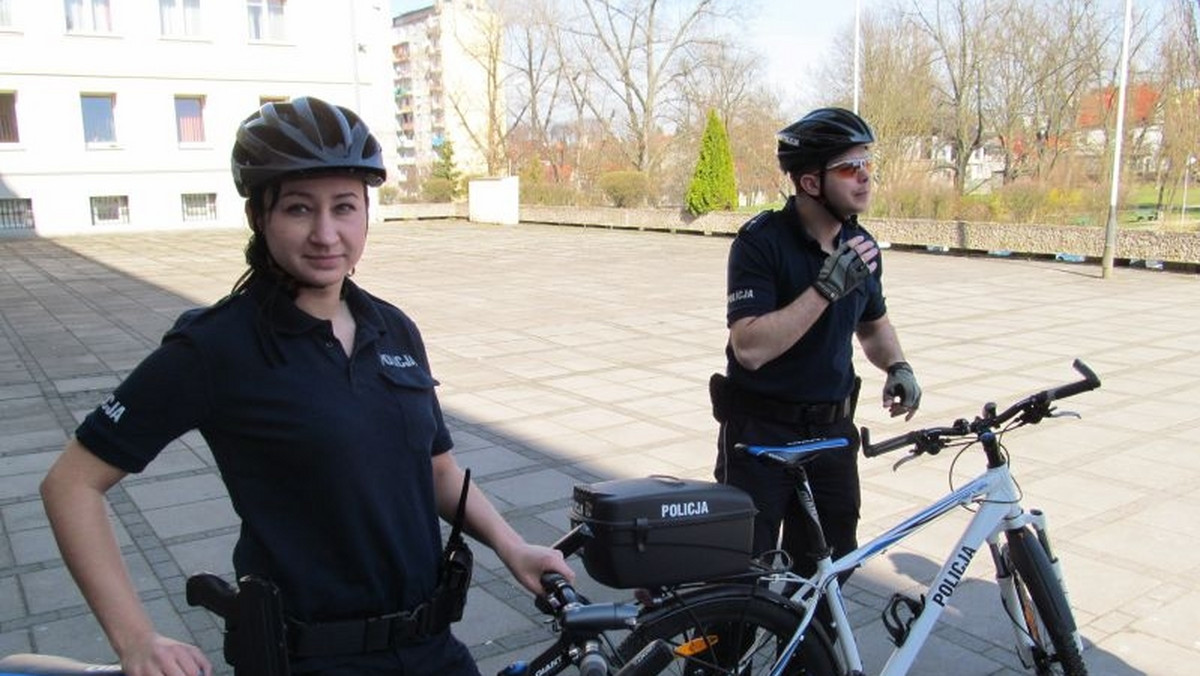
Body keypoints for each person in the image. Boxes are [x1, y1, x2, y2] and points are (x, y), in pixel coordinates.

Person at [39, 96, 572, 676]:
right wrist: (135, 639)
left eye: (344, 207)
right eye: (298, 209)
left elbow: (437, 470)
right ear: (260, 218)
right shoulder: (216, 346)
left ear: (366, 212)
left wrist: (511, 545)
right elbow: (71, 484)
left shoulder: (392, 327)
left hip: (432, 648)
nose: (326, 234)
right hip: (310, 660)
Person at [710, 107, 921, 580]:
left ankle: (811, 655)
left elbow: (873, 324)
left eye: (868, 165)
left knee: (828, 571)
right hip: (761, 436)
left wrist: (898, 366)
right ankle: (729, 656)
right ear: (809, 183)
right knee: (744, 573)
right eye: (850, 168)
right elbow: (749, 347)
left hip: (831, 434)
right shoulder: (760, 243)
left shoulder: (860, 245)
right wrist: (825, 289)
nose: (865, 178)